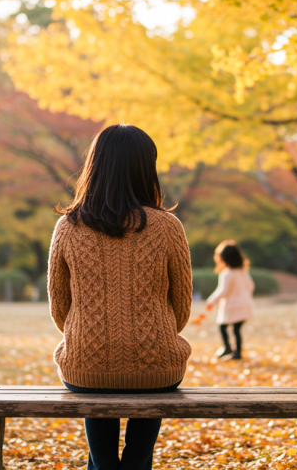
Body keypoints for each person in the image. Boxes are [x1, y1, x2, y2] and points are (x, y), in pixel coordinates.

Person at [47, 124, 193, 470]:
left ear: (94, 166)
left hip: (85, 365)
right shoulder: (168, 227)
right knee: (138, 456)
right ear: (146, 168)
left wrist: (91, 336)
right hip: (158, 365)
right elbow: (182, 309)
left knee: (99, 455)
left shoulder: (68, 226)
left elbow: (59, 308)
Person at [205, 240, 255, 360]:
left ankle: (227, 348)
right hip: (245, 304)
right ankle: (237, 352)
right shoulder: (243, 271)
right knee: (236, 329)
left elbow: (223, 291)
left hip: (233, 306)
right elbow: (251, 286)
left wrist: (211, 301)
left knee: (222, 326)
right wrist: (244, 296)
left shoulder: (227, 274)